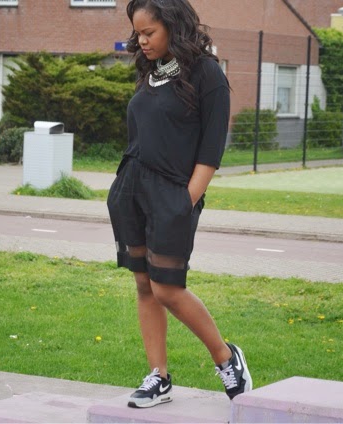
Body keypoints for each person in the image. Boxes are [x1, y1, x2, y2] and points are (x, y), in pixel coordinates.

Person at [107, 0, 252, 409]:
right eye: (137, 33)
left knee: (167, 288)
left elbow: (211, 150)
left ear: (173, 25)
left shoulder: (206, 73)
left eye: (149, 32)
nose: (141, 40)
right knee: (143, 285)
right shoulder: (151, 71)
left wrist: (185, 201)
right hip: (131, 191)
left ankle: (226, 357)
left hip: (173, 195)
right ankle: (159, 377)